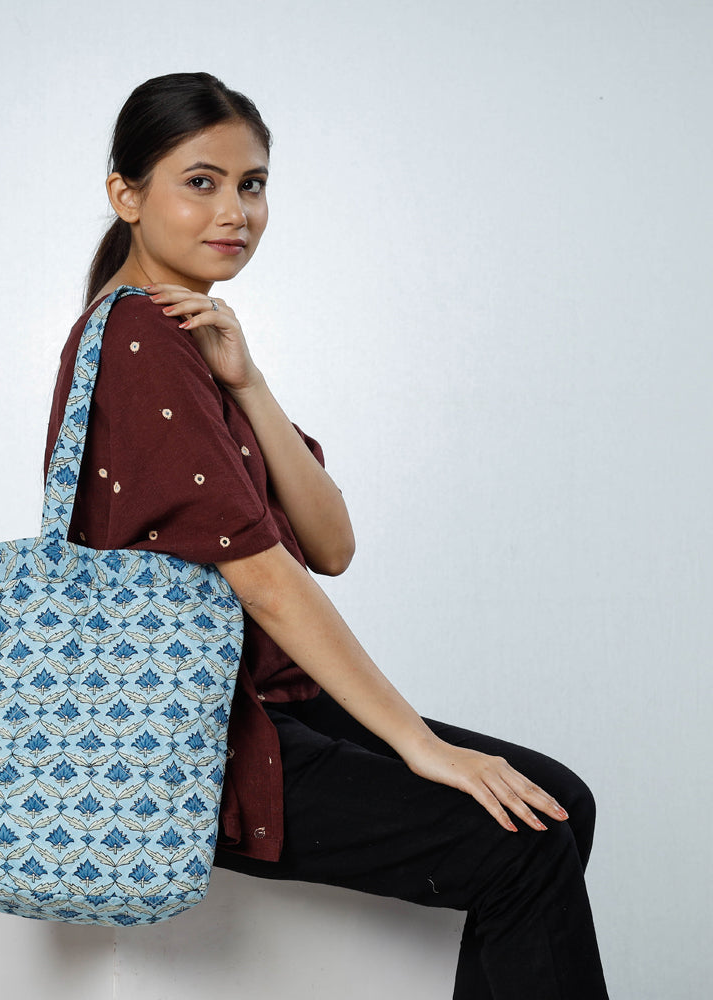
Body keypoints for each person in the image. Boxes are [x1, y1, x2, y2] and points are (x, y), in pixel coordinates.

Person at [43, 72, 609, 1000]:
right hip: (198, 745)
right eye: (201, 182)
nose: (235, 211)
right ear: (126, 194)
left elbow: (332, 543)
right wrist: (422, 746)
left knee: (557, 803)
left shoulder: (193, 338)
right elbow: (265, 579)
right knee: (524, 841)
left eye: (252, 184)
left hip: (272, 708)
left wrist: (250, 382)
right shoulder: (138, 339)